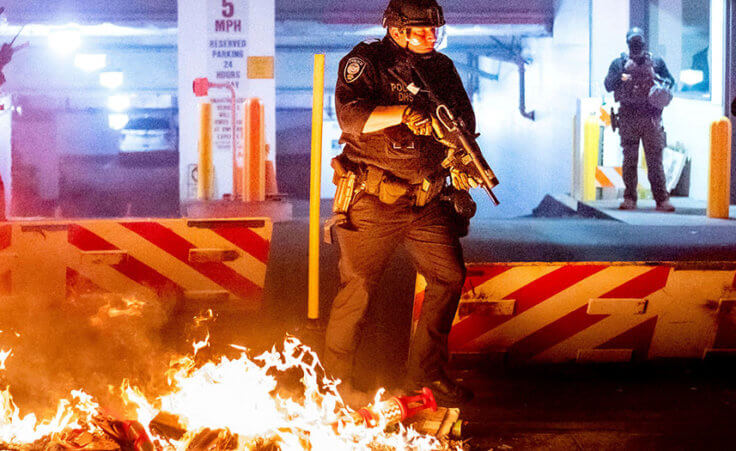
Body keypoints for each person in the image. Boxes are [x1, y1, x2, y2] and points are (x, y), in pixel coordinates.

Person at [323, 0, 478, 405]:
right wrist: (405, 113)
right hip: (374, 198)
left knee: (449, 277)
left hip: (426, 199)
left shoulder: (441, 67)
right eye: (421, 30)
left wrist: (457, 153)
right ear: (396, 30)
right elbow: (352, 119)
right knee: (357, 290)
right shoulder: (365, 62)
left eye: (434, 29)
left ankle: (425, 376)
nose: (431, 36)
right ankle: (336, 386)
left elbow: (466, 121)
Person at [605, 27, 676, 212]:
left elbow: (670, 81)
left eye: (638, 43)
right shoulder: (619, 64)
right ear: (628, 43)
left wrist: (656, 78)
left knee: (654, 160)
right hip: (628, 117)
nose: (636, 47)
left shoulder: (656, 63)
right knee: (630, 160)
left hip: (651, 116)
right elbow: (608, 84)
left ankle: (661, 199)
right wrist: (624, 74)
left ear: (643, 43)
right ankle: (630, 198)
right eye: (632, 43)